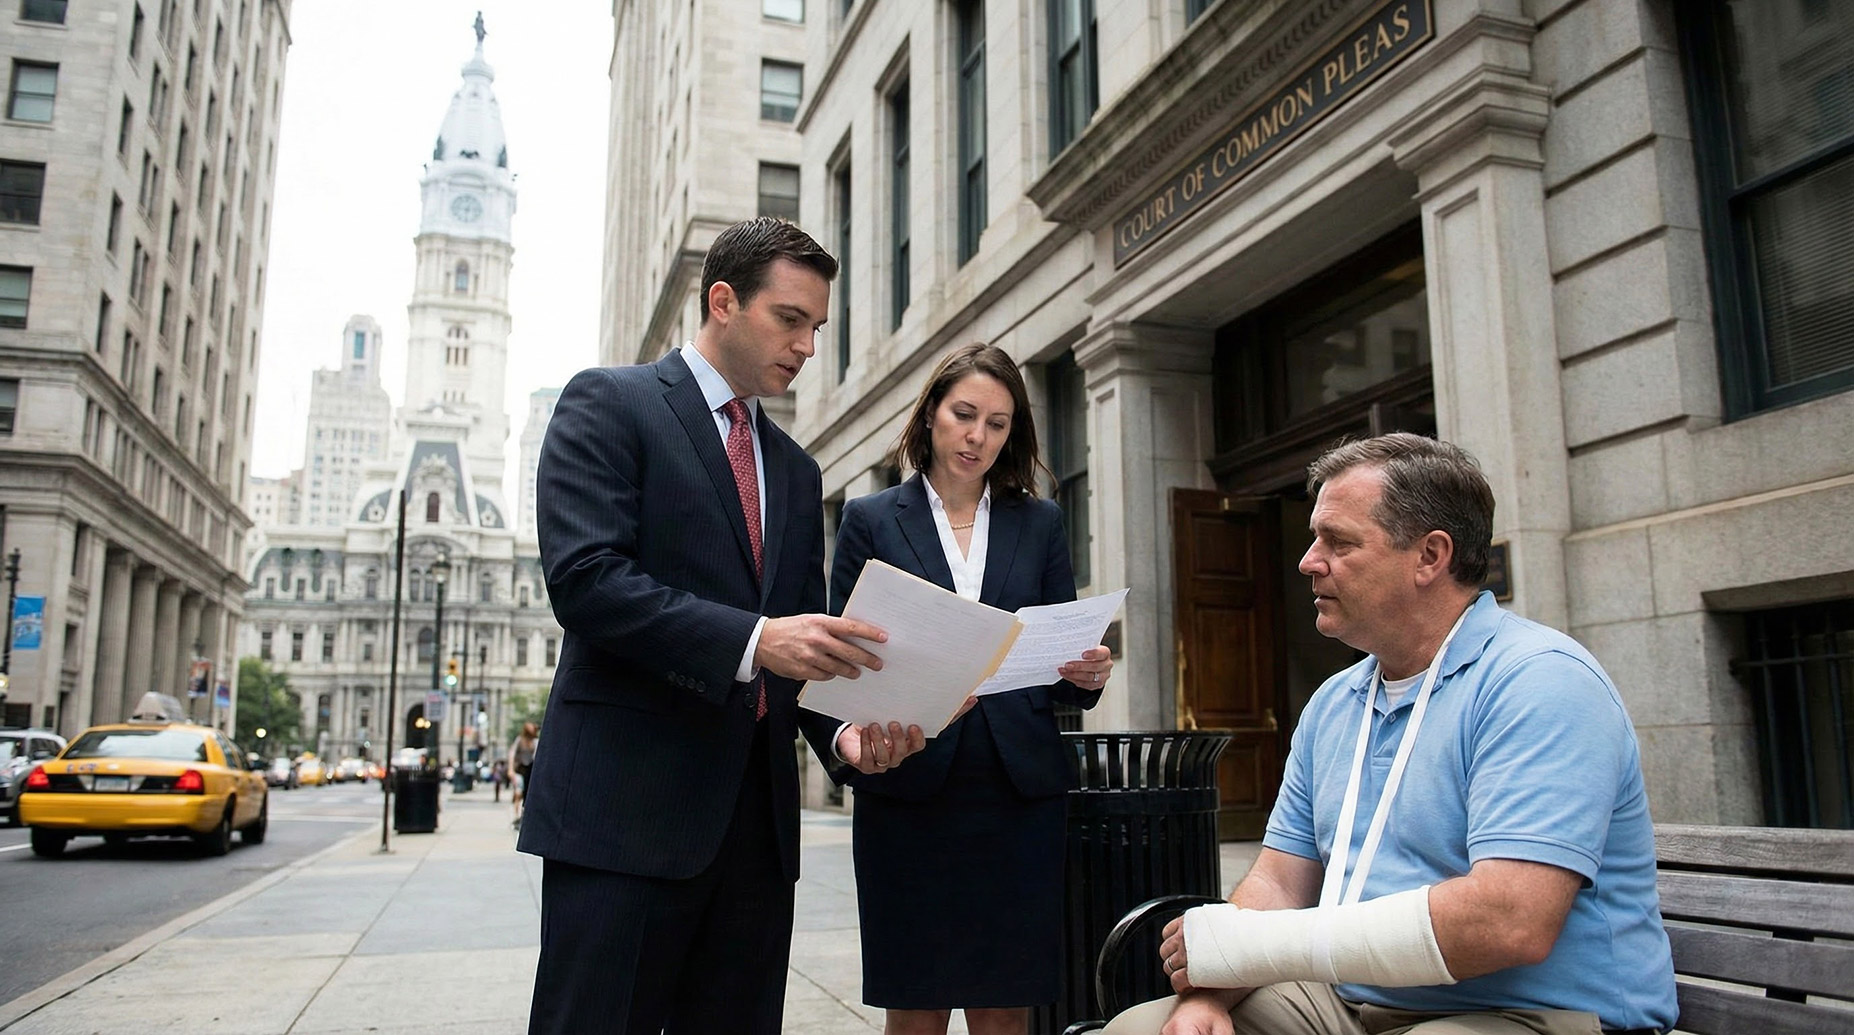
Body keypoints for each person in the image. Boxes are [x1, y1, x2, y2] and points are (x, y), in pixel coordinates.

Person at [1105, 433, 1676, 1035]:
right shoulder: (1334, 702)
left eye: (1339, 541)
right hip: (1352, 1004)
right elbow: (1278, 879)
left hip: (1528, 1011)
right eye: (1313, 537)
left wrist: (1244, 946)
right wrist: (1213, 993)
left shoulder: (1539, 682)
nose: (1308, 561)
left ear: (1430, 556)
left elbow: (1511, 920)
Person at [517, 217, 929, 1035]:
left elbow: (806, 657)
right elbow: (587, 581)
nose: (807, 345)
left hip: (755, 844)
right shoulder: (610, 401)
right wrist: (751, 641)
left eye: (817, 326)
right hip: (624, 822)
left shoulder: (796, 467)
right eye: (790, 319)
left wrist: (848, 742)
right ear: (723, 301)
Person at [800, 342, 1114, 1035]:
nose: (978, 436)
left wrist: (1087, 673)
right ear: (931, 416)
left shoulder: (1040, 522)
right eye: (964, 414)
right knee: (916, 1002)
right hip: (909, 782)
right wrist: (850, 740)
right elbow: (840, 659)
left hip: (1018, 791)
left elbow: (1064, 661)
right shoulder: (872, 520)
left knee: (1007, 1003)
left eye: (998, 423)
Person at [507, 722, 537, 829]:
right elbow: (512, 754)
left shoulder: (535, 742)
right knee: (518, 793)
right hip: (519, 771)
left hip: (530, 772)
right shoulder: (520, 740)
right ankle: (517, 816)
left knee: (526, 795)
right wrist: (510, 770)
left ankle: (522, 817)